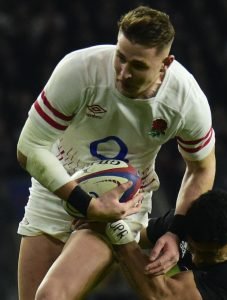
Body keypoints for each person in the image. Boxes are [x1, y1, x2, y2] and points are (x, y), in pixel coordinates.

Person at [16, 5, 216, 300]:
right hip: (57, 187)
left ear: (165, 63)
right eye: (120, 58)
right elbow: (29, 148)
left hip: (123, 204)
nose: (123, 73)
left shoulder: (186, 101)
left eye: (137, 65)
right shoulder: (80, 70)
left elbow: (201, 168)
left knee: (51, 296)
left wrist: (177, 233)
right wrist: (85, 203)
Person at [111, 189, 227, 299]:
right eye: (191, 247)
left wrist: (114, 229)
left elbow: (162, 296)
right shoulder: (183, 223)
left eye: (208, 254)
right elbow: (135, 234)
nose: (196, 259)